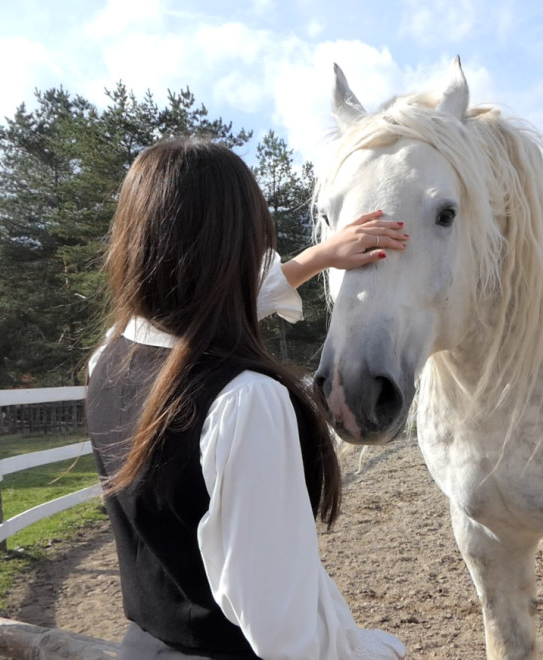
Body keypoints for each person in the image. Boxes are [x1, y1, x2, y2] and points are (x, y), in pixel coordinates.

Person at [85, 137, 408, 660]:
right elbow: (287, 636)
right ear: (239, 244)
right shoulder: (245, 402)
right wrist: (382, 652)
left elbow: (203, 311)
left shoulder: (109, 359)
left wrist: (319, 258)